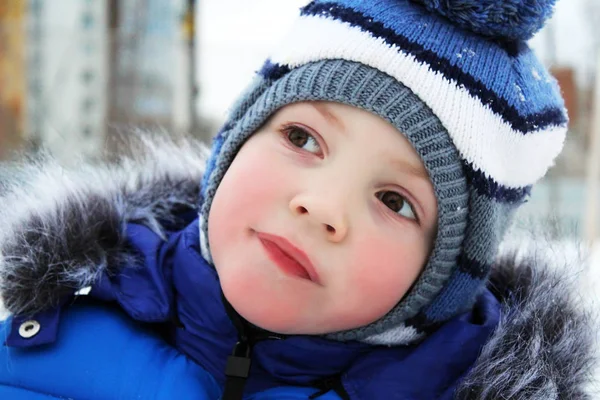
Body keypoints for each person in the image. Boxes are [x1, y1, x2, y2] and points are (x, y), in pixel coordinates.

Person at [0, 0, 596, 398]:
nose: (322, 207)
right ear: (234, 143)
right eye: (301, 137)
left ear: (442, 281)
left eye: (394, 200)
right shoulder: (36, 347)